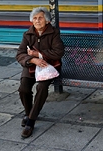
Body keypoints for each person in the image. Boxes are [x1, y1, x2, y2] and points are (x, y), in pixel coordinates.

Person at [16, 7, 64, 138]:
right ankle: (28, 112)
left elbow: (59, 52)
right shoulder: (28, 34)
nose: (37, 21)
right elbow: (20, 54)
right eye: (35, 18)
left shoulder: (54, 33)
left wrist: (39, 55)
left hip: (48, 67)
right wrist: (32, 59)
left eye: (40, 18)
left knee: (41, 87)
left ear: (47, 21)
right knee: (23, 89)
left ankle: (30, 121)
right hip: (31, 66)